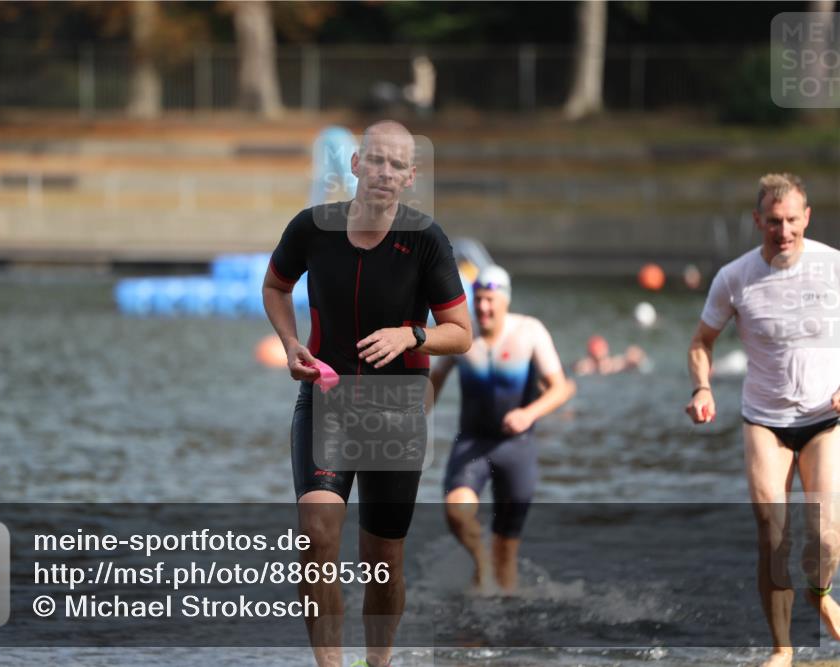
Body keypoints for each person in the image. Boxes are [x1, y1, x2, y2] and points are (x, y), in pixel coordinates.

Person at [263, 120, 472, 667]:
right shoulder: (312, 229)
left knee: (382, 559)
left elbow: (462, 333)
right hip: (326, 399)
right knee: (316, 536)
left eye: (396, 165)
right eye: (374, 160)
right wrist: (290, 345)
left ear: (410, 176)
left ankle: (377, 662)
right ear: (355, 165)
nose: (383, 172)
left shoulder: (425, 240)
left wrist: (413, 334)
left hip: (396, 411)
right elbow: (275, 286)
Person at [685, 173, 840, 667]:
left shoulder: (833, 267)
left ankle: (819, 593)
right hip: (764, 421)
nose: (784, 231)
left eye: (793, 220)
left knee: (828, 536)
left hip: (824, 417)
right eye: (774, 222)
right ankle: (782, 648)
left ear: (807, 217)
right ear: (758, 222)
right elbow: (701, 342)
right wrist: (703, 387)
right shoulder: (735, 277)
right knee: (773, 534)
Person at [430, 265, 574, 593]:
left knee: (506, 557)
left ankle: (501, 626)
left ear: (505, 301)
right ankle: (480, 562)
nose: (483, 308)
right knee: (456, 511)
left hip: (517, 447)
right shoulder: (461, 335)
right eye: (478, 300)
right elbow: (435, 380)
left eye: (490, 300)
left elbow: (559, 387)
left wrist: (529, 413)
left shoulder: (529, 332)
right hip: (473, 445)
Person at [571, 335, 646, 376]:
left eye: (603, 358)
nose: (602, 363)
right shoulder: (588, 366)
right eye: (598, 360)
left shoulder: (616, 363)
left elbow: (635, 356)